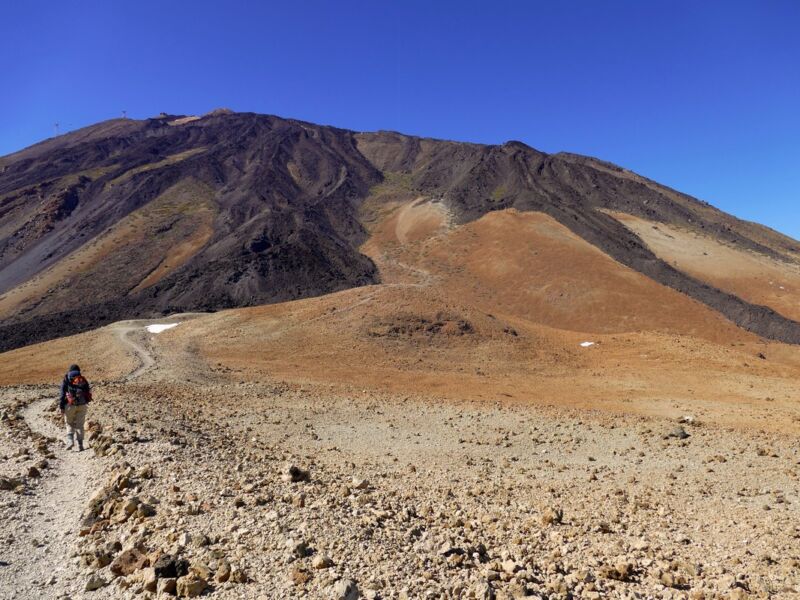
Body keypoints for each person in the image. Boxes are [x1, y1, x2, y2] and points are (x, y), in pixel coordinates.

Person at [59, 364, 92, 451]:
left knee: (69, 423)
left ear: (70, 370)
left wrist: (61, 406)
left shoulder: (66, 379)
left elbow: (62, 394)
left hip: (70, 405)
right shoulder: (82, 379)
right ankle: (80, 445)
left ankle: (70, 442)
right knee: (80, 425)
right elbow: (88, 391)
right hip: (82, 405)